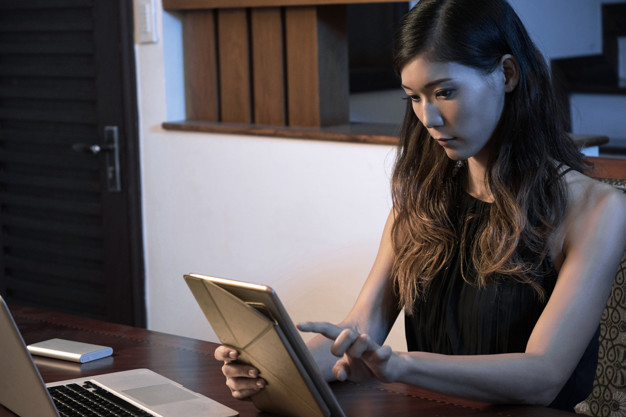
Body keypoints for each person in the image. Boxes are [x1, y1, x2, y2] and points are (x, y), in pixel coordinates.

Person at [215, 0, 626, 412]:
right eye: (414, 97)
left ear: (506, 74)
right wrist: (277, 367)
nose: (428, 118)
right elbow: (361, 327)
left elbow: (543, 377)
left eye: (444, 92)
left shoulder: (597, 209)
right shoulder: (423, 201)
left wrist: (401, 367)